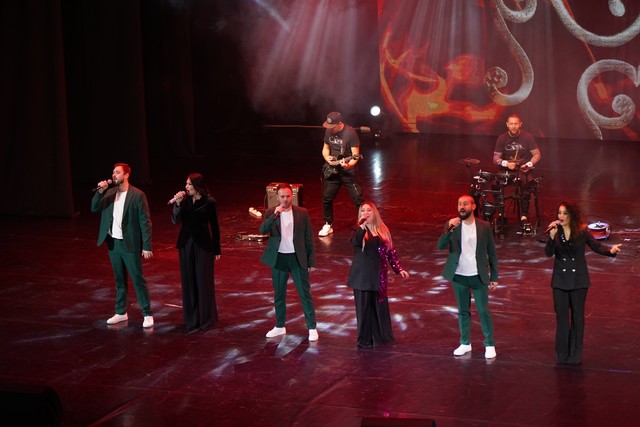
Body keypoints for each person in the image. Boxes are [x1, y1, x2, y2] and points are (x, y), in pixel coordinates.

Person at [544, 201, 621, 365]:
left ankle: (575, 355)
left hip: (578, 280)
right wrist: (551, 237)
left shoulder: (581, 231)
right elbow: (548, 253)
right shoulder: (555, 231)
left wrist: (610, 251)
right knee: (562, 319)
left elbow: (596, 246)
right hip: (560, 281)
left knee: (578, 318)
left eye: (565, 213)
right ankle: (562, 354)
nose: (561, 216)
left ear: (572, 215)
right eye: (559, 213)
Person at [91, 163, 154, 328]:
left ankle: (147, 313)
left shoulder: (137, 195)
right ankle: (120, 312)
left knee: (137, 279)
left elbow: (145, 221)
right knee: (119, 279)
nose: (114, 175)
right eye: (113, 172)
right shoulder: (109, 193)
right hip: (113, 243)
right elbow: (94, 208)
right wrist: (99, 191)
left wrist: (146, 245)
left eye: (117, 172)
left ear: (126, 175)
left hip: (130, 244)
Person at [437, 195, 499, 359]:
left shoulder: (484, 226)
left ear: (473, 207)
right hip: (459, 276)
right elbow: (440, 245)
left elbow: (492, 253)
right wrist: (449, 228)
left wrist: (494, 276)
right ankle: (465, 342)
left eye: (465, 204)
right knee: (463, 311)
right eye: (459, 204)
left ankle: (489, 343)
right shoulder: (452, 225)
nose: (461, 207)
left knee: (483, 311)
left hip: (478, 276)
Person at [259, 183, 319, 341]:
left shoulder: (302, 213)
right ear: (277, 197)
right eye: (282, 196)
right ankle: (280, 326)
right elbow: (262, 230)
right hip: (279, 258)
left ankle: (312, 327)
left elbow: (308, 238)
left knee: (304, 293)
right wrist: (274, 215)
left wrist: (311, 261)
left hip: (297, 258)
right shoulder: (271, 212)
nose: (285, 199)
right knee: (279, 293)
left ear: (292, 196)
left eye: (288, 196)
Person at [347, 202, 410, 348]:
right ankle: (364, 341)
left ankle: (381, 337)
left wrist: (398, 269)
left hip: (377, 276)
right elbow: (355, 242)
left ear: (374, 212)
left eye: (369, 210)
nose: (366, 213)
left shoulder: (383, 230)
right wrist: (361, 227)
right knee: (363, 310)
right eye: (363, 210)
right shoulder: (357, 230)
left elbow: (390, 252)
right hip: (362, 278)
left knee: (378, 308)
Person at [170, 173, 221, 332]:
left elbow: (215, 227)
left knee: (203, 282)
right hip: (186, 244)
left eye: (189, 184)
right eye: (186, 184)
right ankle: (191, 320)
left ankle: (206, 320)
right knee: (188, 282)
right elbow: (175, 220)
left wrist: (217, 248)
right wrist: (177, 205)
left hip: (203, 245)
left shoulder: (209, 202)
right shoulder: (184, 201)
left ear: (197, 186)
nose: (186, 187)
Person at [318, 111, 365, 237]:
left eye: (332, 126)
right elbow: (325, 148)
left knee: (358, 199)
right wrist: (327, 158)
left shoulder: (350, 133)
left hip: (348, 171)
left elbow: (355, 155)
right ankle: (328, 224)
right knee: (327, 198)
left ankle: (363, 224)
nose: (330, 129)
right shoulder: (328, 131)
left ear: (339, 123)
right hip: (332, 170)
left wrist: (348, 165)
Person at [492, 113, 542, 228]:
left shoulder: (527, 137)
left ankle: (524, 216)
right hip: (506, 170)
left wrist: (528, 164)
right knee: (495, 184)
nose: (513, 126)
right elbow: (495, 158)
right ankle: (501, 213)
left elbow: (537, 155)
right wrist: (506, 163)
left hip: (523, 170)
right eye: (511, 124)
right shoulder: (502, 138)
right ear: (507, 125)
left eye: (516, 123)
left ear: (520, 124)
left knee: (526, 184)